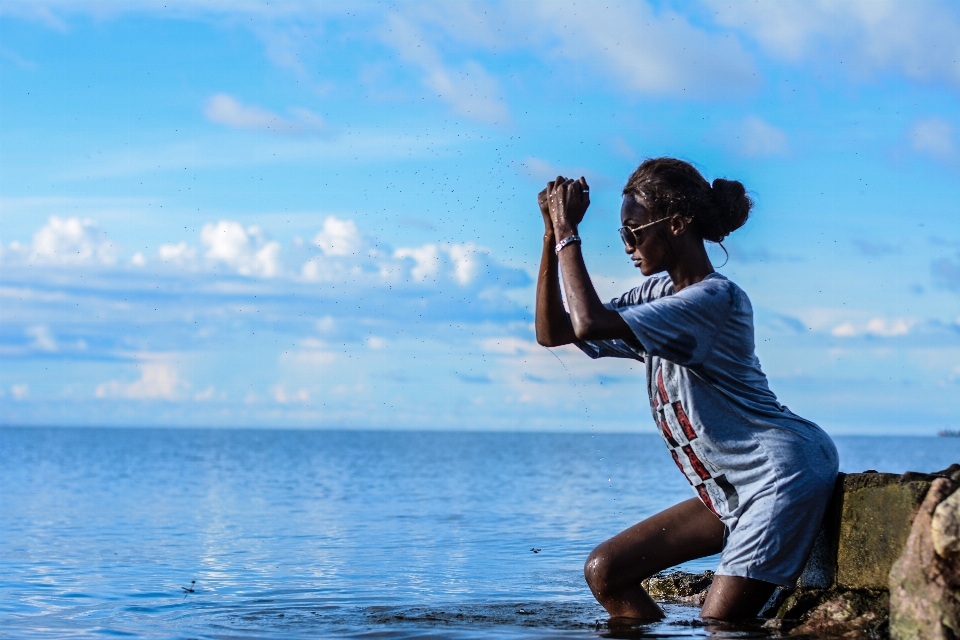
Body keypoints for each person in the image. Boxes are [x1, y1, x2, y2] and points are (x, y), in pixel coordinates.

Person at [535, 158, 839, 622]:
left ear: (676, 225)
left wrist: (568, 233)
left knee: (719, 626)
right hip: (731, 487)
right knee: (607, 572)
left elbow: (589, 321)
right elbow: (554, 331)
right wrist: (550, 234)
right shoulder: (655, 295)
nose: (627, 247)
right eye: (622, 236)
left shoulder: (714, 299)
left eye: (632, 233)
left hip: (780, 476)